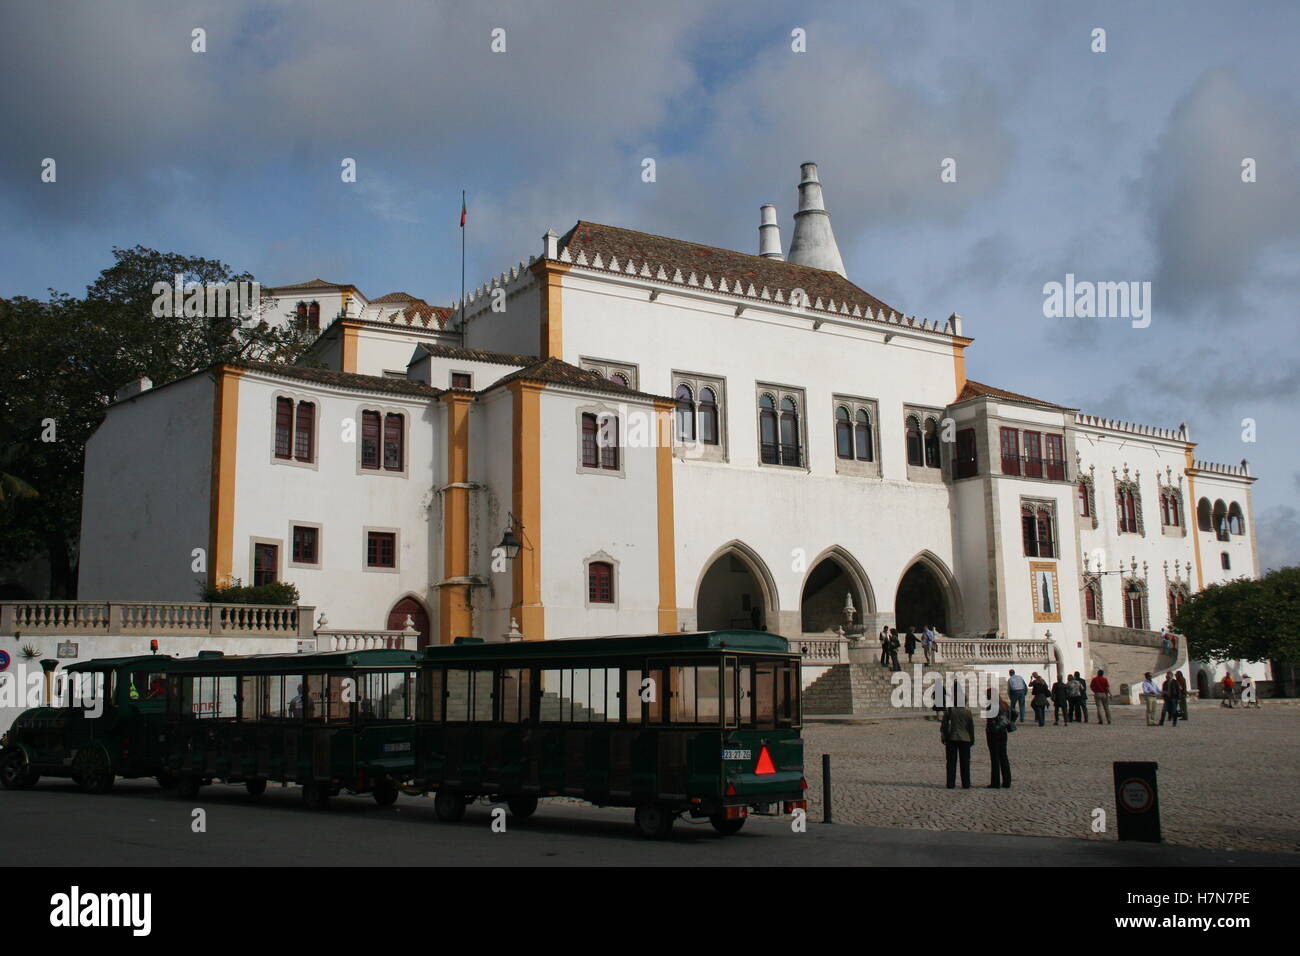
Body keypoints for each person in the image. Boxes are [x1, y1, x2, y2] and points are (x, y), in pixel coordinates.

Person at [940, 701, 975, 789]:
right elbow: (971, 727)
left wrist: (943, 737)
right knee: (965, 762)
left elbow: (944, 726)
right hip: (965, 739)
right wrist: (972, 739)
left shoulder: (949, 711)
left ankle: (950, 783)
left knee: (951, 762)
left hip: (952, 738)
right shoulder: (967, 712)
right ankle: (966, 783)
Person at [985, 697, 1014, 788]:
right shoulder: (1004, 704)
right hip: (1003, 733)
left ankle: (995, 782)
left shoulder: (991, 706)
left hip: (994, 734)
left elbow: (990, 721)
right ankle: (1007, 781)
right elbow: (1015, 713)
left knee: (995, 758)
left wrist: (992, 728)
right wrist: (1008, 722)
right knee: (1004, 757)